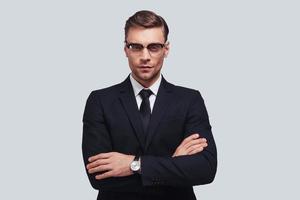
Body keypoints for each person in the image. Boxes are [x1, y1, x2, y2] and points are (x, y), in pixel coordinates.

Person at [82, 10, 217, 200]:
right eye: (136, 47)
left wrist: (133, 165)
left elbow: (205, 169)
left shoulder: (189, 100)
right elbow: (99, 177)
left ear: (166, 49)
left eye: (153, 47)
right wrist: (173, 165)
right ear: (126, 49)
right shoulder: (100, 101)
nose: (145, 56)